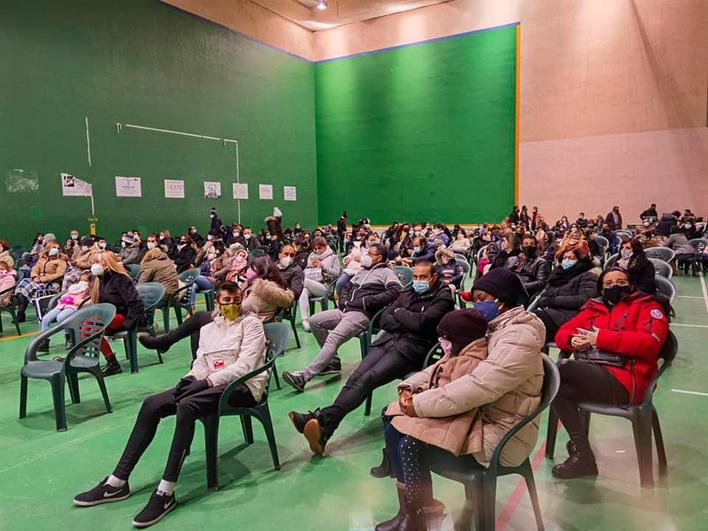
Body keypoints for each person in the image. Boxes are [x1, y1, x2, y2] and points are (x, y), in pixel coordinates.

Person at [73, 283, 266, 527]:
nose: (232, 305)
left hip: (242, 386)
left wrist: (207, 382)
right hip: (208, 384)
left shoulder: (252, 325)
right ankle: (117, 481)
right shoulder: (208, 329)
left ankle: (165, 492)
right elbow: (201, 361)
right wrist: (191, 378)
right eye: (227, 300)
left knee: (187, 405)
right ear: (217, 302)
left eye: (237, 299)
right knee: (151, 404)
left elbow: (245, 366)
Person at [372, 267, 544, 529]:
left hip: (503, 434)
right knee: (393, 416)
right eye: (475, 297)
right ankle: (419, 508)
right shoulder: (494, 328)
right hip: (480, 416)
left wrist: (418, 405)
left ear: (503, 299)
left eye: (483, 297)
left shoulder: (519, 335)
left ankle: (416, 514)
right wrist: (410, 386)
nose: (478, 304)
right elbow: (449, 362)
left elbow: (479, 386)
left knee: (408, 442)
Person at [288, 261, 454, 455]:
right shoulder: (408, 292)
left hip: (411, 350)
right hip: (387, 341)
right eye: (415, 277)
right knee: (355, 377)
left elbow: (421, 324)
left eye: (422, 277)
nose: (417, 281)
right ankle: (324, 427)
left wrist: (400, 313)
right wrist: (406, 318)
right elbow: (385, 319)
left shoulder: (443, 298)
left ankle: (321, 421)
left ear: (433, 277)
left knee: (368, 379)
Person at [551, 267, 669, 478]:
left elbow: (650, 344)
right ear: (601, 288)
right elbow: (563, 332)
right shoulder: (594, 308)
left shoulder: (648, 307)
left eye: (620, 281)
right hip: (594, 374)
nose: (615, 286)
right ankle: (583, 453)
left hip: (628, 380)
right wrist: (573, 341)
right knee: (557, 388)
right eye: (608, 283)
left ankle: (582, 455)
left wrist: (601, 338)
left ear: (631, 285)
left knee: (559, 370)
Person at [283, 244, 401, 392]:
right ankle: (333, 363)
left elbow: (396, 290)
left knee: (334, 338)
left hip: (361, 314)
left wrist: (367, 302)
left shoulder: (386, 272)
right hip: (345, 309)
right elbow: (346, 287)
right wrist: (343, 300)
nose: (366, 256)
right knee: (314, 321)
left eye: (370, 254)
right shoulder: (362, 271)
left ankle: (303, 377)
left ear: (379, 258)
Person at [91, 251, 145, 376]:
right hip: (107, 318)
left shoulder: (121, 279)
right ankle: (106, 361)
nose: (94, 265)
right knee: (85, 327)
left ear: (106, 262)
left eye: (97, 262)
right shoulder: (100, 280)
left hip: (122, 316)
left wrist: (129, 323)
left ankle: (112, 363)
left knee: (92, 327)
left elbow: (137, 303)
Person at [532, 245, 598, 339]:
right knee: (522, 322)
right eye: (565, 258)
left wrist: (553, 301)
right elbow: (543, 296)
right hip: (551, 313)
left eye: (572, 258)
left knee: (530, 323)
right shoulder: (557, 274)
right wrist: (548, 300)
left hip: (570, 318)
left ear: (581, 260)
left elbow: (585, 299)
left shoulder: (588, 275)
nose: (567, 260)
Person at [14, 241, 69, 322]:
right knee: (24, 282)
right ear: (48, 249)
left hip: (52, 283)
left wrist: (42, 279)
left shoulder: (61, 261)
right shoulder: (42, 259)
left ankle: (20, 312)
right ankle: (21, 311)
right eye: (54, 248)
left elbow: (59, 274)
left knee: (29, 286)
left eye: (58, 248)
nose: (56, 249)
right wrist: (35, 276)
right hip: (38, 280)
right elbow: (35, 269)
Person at [298, 237, 341, 332]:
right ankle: (305, 320)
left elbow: (337, 274)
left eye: (319, 248)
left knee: (303, 282)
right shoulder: (311, 256)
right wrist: (309, 267)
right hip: (311, 285)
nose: (317, 251)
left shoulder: (333, 257)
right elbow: (304, 272)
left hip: (326, 287)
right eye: (315, 249)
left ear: (325, 246)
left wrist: (323, 266)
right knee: (303, 291)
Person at [38, 276, 92, 350]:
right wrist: (63, 299)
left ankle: (69, 338)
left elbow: (90, 301)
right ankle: (44, 341)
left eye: (85, 280)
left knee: (61, 317)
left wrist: (79, 302)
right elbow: (63, 296)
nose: (82, 282)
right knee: (45, 319)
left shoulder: (89, 290)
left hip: (74, 307)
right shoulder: (73, 289)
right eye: (81, 280)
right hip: (61, 305)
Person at [240, 255, 294, 322]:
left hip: (257, 324)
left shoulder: (264, 289)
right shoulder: (274, 285)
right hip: (253, 321)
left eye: (254, 270)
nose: (250, 272)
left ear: (262, 270)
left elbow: (245, 307)